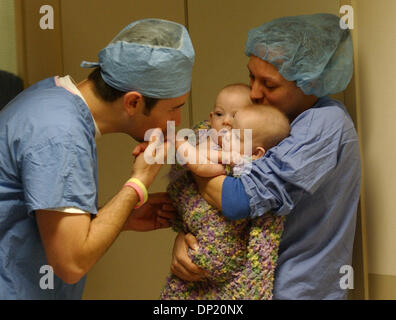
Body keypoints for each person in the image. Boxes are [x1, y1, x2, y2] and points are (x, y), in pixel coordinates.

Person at [169, 13, 361, 299]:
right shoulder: (269, 124)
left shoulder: (324, 123)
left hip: (296, 290)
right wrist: (188, 239)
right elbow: (223, 215)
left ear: (308, 81)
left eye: (269, 85)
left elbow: (237, 200)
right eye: (251, 76)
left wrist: (193, 161)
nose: (254, 93)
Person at [0, 18, 195, 299]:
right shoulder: (61, 134)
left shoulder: (52, 99)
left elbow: (41, 218)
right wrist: (138, 183)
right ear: (133, 102)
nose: (177, 121)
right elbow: (71, 263)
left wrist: (120, 216)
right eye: (174, 108)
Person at [160, 83, 290, 299]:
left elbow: (200, 166)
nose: (226, 126)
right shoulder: (213, 143)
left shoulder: (240, 162)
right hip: (201, 247)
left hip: (229, 255)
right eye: (219, 115)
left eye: (237, 132)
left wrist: (176, 140)